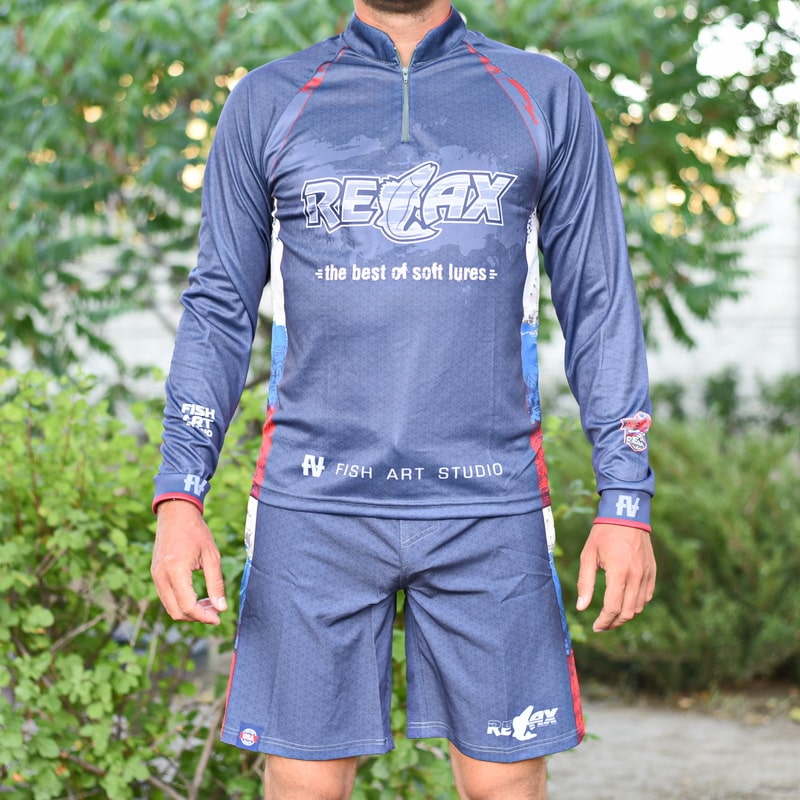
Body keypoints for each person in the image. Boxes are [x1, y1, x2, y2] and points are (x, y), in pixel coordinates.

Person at [150, 1, 657, 797]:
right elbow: (218, 307)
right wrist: (180, 495)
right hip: (314, 503)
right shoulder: (270, 99)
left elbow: (599, 300)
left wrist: (625, 500)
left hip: (488, 502)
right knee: (304, 783)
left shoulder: (541, 92)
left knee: (503, 783)